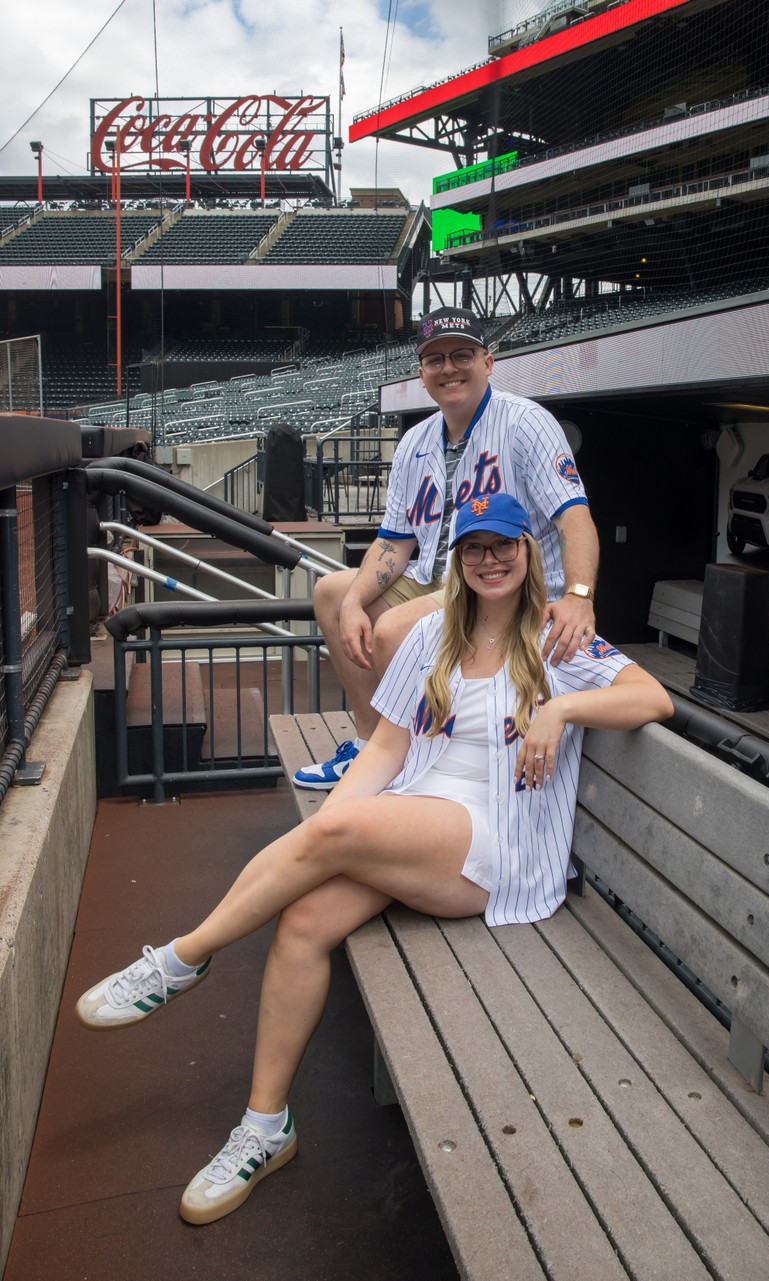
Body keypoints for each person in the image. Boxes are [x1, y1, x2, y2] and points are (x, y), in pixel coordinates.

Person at [75, 494, 672, 1227]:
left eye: (504, 546)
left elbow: (654, 697)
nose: (491, 560)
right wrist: (336, 830)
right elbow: (386, 749)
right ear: (456, 559)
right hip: (415, 818)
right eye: (475, 547)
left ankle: (183, 957)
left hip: (497, 844)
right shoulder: (432, 638)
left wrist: (560, 709)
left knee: (336, 836)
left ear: (527, 553)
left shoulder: (557, 640)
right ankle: (265, 1129)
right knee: (302, 917)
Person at [293, 305, 600, 792]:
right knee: (331, 593)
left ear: (487, 363)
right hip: (441, 578)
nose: (449, 368)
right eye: (435, 360)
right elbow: (394, 542)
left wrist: (581, 595)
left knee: (393, 629)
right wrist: (353, 602)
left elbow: (574, 518)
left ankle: (409, 759)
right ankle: (372, 745)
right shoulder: (416, 440)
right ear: (422, 372)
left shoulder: (526, 422)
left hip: (506, 585)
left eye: (462, 355)